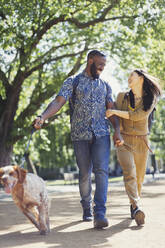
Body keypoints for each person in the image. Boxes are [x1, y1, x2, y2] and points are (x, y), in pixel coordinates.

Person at [33, 50, 123, 229]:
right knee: (84, 174)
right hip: (79, 135)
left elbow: (110, 109)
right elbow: (58, 101)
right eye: (100, 64)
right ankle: (86, 206)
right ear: (90, 60)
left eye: (104, 65)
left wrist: (117, 130)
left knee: (102, 171)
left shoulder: (105, 85)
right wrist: (42, 117)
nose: (102, 68)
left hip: (101, 134)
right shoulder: (73, 81)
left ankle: (100, 213)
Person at [106, 69, 161, 226]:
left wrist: (113, 111)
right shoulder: (121, 96)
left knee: (139, 179)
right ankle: (137, 207)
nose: (129, 78)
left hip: (142, 142)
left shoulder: (151, 98)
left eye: (132, 75)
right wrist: (118, 133)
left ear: (141, 78)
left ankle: (133, 204)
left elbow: (138, 116)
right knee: (129, 172)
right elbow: (117, 120)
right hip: (125, 141)